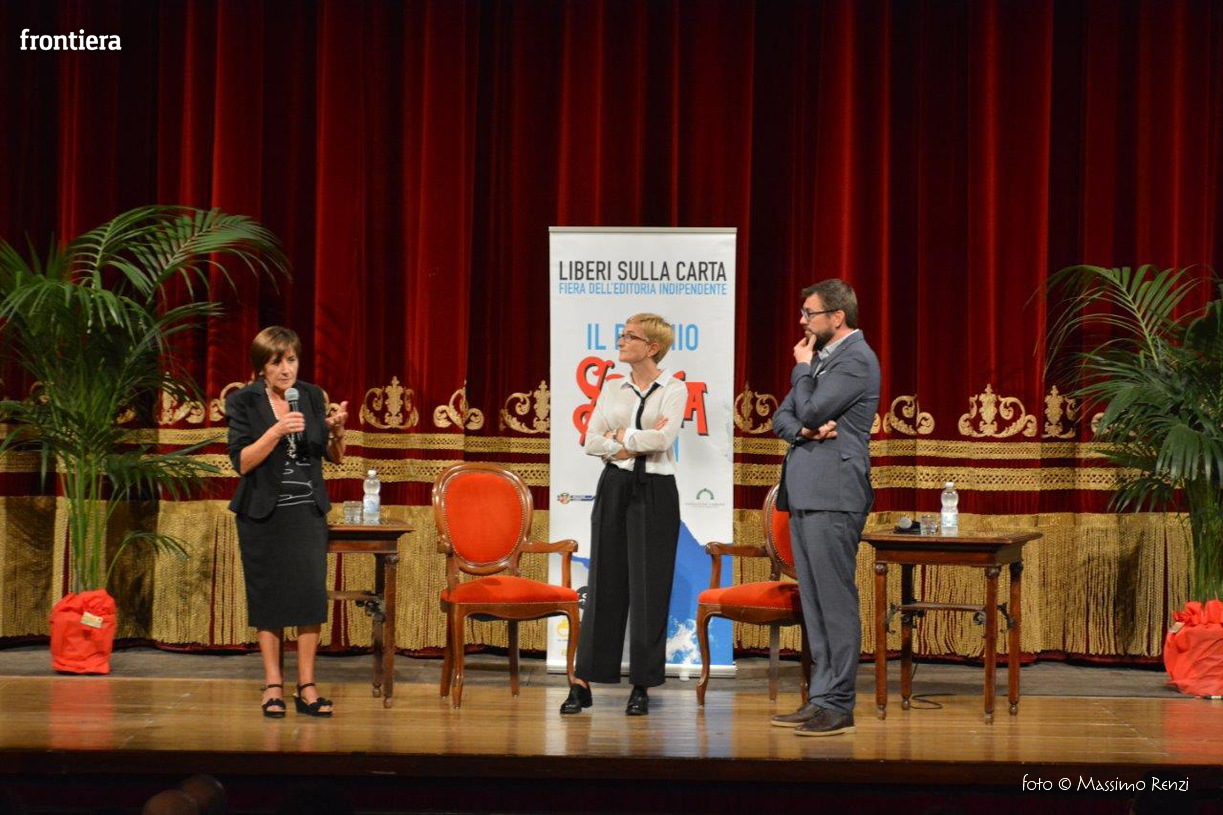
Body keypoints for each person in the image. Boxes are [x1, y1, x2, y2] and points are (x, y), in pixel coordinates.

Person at [561, 313, 687, 716]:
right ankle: (583, 681)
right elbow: (590, 440)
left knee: (649, 587)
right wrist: (629, 443)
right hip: (615, 485)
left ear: (652, 347)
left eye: (630, 336)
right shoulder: (612, 387)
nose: (621, 341)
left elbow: (663, 439)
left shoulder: (674, 388)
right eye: (622, 335)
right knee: (605, 582)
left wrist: (620, 436)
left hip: (655, 490)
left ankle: (642, 685)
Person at [770, 279, 880, 736]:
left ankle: (839, 704)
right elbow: (782, 418)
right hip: (806, 493)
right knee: (814, 604)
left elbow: (812, 410)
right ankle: (820, 698)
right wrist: (804, 431)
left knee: (834, 602)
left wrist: (801, 372)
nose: (802, 321)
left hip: (834, 495)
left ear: (837, 316)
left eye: (809, 313)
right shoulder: (821, 361)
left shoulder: (855, 360)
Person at [226, 326, 349, 718]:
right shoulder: (244, 401)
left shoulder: (310, 396)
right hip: (263, 514)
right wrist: (277, 430)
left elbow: (334, 456)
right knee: (270, 600)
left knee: (309, 598)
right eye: (277, 362)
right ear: (262, 367)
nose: (286, 370)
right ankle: (273, 686)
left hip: (306, 513)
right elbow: (242, 461)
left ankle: (307, 686)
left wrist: (337, 434)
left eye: (291, 360)